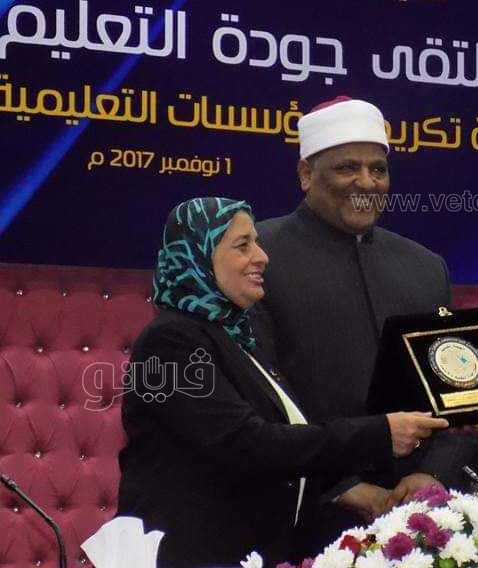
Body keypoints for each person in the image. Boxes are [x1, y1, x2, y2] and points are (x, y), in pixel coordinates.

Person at [117, 197, 447, 568]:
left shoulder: (234, 337)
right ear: (199, 255)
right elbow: (248, 444)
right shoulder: (169, 341)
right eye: (243, 245)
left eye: (257, 243)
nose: (262, 257)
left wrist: (350, 488)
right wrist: (381, 433)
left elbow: (287, 436)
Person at [253, 97, 475, 554]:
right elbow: (258, 400)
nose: (367, 182)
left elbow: (457, 392)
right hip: (301, 512)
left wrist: (430, 474)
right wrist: (342, 486)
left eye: (378, 169)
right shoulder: (259, 257)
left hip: (417, 522)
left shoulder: (425, 266)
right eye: (347, 168)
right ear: (305, 175)